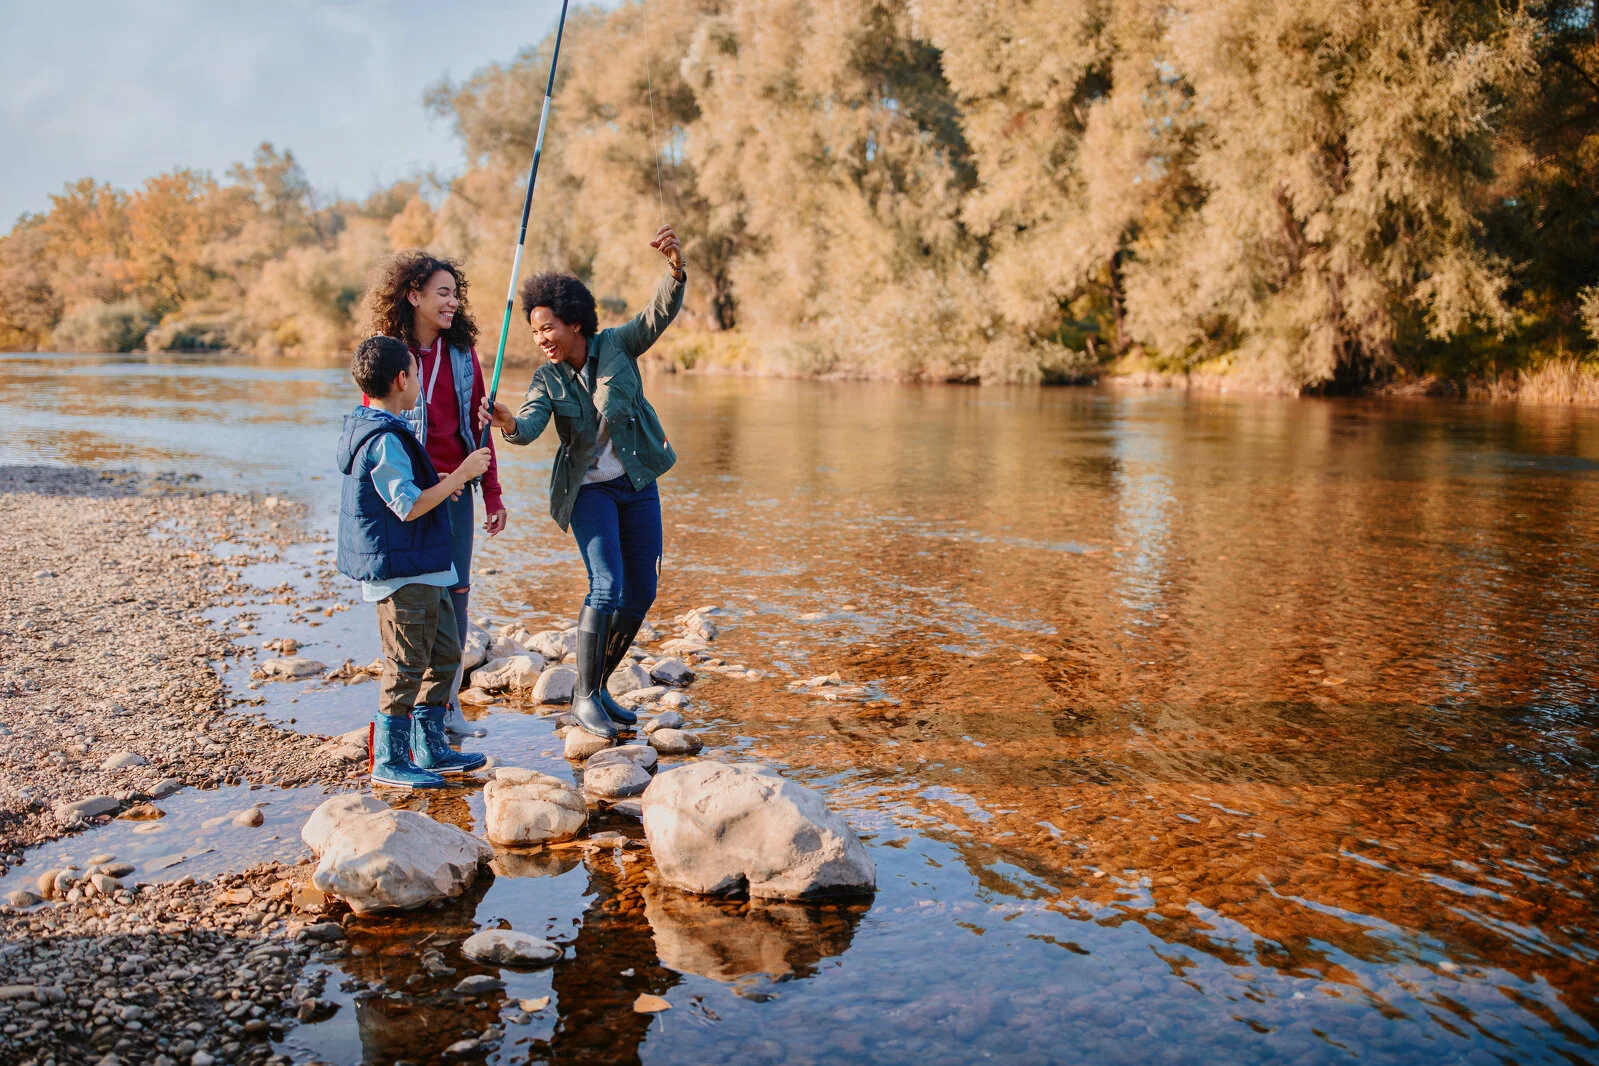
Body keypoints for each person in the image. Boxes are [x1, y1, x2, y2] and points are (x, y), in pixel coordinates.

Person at [480, 224, 686, 740]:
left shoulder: (617, 345)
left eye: (547, 328)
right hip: (588, 490)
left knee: (640, 592)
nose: (541, 339)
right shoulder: (545, 380)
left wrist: (675, 269)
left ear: (575, 323)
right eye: (534, 332)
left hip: (636, 482)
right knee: (607, 586)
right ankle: (584, 697)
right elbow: (528, 426)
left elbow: (657, 314)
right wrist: (506, 423)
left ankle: (597, 688)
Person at [337, 335, 490, 788]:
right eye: (417, 372)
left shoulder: (389, 430)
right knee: (405, 664)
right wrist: (460, 475)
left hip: (426, 568)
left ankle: (430, 746)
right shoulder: (383, 438)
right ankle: (389, 759)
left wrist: (440, 480)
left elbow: (402, 492)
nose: (421, 379)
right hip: (404, 574)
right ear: (402, 379)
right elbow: (406, 506)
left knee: (445, 655)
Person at [366, 253, 508, 736]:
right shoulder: (388, 356)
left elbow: (480, 429)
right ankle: (403, 712)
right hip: (413, 497)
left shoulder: (463, 355)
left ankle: (446, 706)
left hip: (458, 493)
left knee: (456, 597)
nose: (452, 302)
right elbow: (375, 430)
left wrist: (491, 494)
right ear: (414, 295)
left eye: (455, 294)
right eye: (442, 293)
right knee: (414, 600)